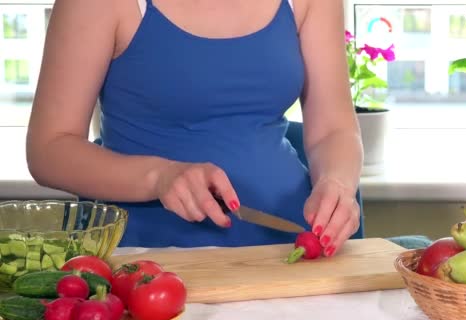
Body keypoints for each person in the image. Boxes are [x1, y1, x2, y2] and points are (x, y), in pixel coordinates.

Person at [26, 0, 363, 257]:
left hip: (288, 250)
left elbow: (333, 128)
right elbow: (49, 148)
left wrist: (335, 182)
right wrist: (159, 177)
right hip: (151, 260)